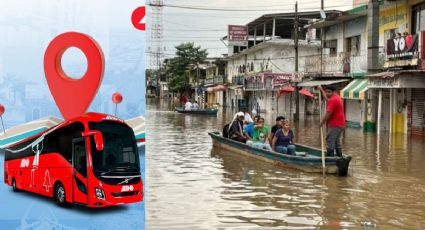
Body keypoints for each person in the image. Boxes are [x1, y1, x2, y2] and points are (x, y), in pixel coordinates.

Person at [318, 85, 346, 157]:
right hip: (341, 124)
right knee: (336, 141)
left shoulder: (333, 100)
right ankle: (339, 157)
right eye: (326, 92)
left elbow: (328, 113)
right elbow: (327, 99)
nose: (327, 93)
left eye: (329, 92)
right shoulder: (336, 97)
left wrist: (322, 122)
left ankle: (330, 157)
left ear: (334, 92)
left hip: (335, 124)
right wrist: (321, 90)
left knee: (330, 140)